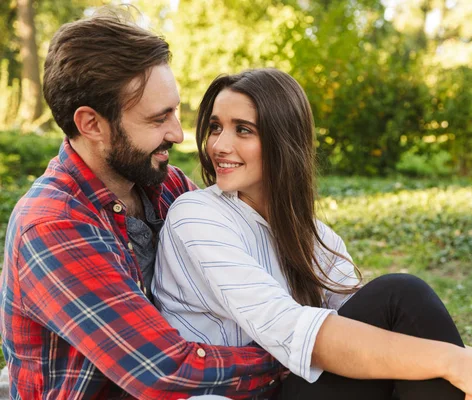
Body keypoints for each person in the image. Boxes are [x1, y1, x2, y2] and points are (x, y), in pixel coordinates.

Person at [153, 68, 472, 400]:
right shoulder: (198, 215)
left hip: (301, 387)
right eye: (215, 127)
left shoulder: (316, 237)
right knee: (403, 296)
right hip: (247, 393)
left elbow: (377, 338)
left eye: (243, 130)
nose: (218, 145)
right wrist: (457, 361)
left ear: (284, 139)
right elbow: (293, 331)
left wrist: (467, 365)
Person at [0, 11, 284, 400]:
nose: (179, 134)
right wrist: (295, 356)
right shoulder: (53, 224)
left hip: (205, 386)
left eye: (176, 110)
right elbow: (163, 373)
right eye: (158, 119)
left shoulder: (165, 186)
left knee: (390, 299)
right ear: (92, 124)